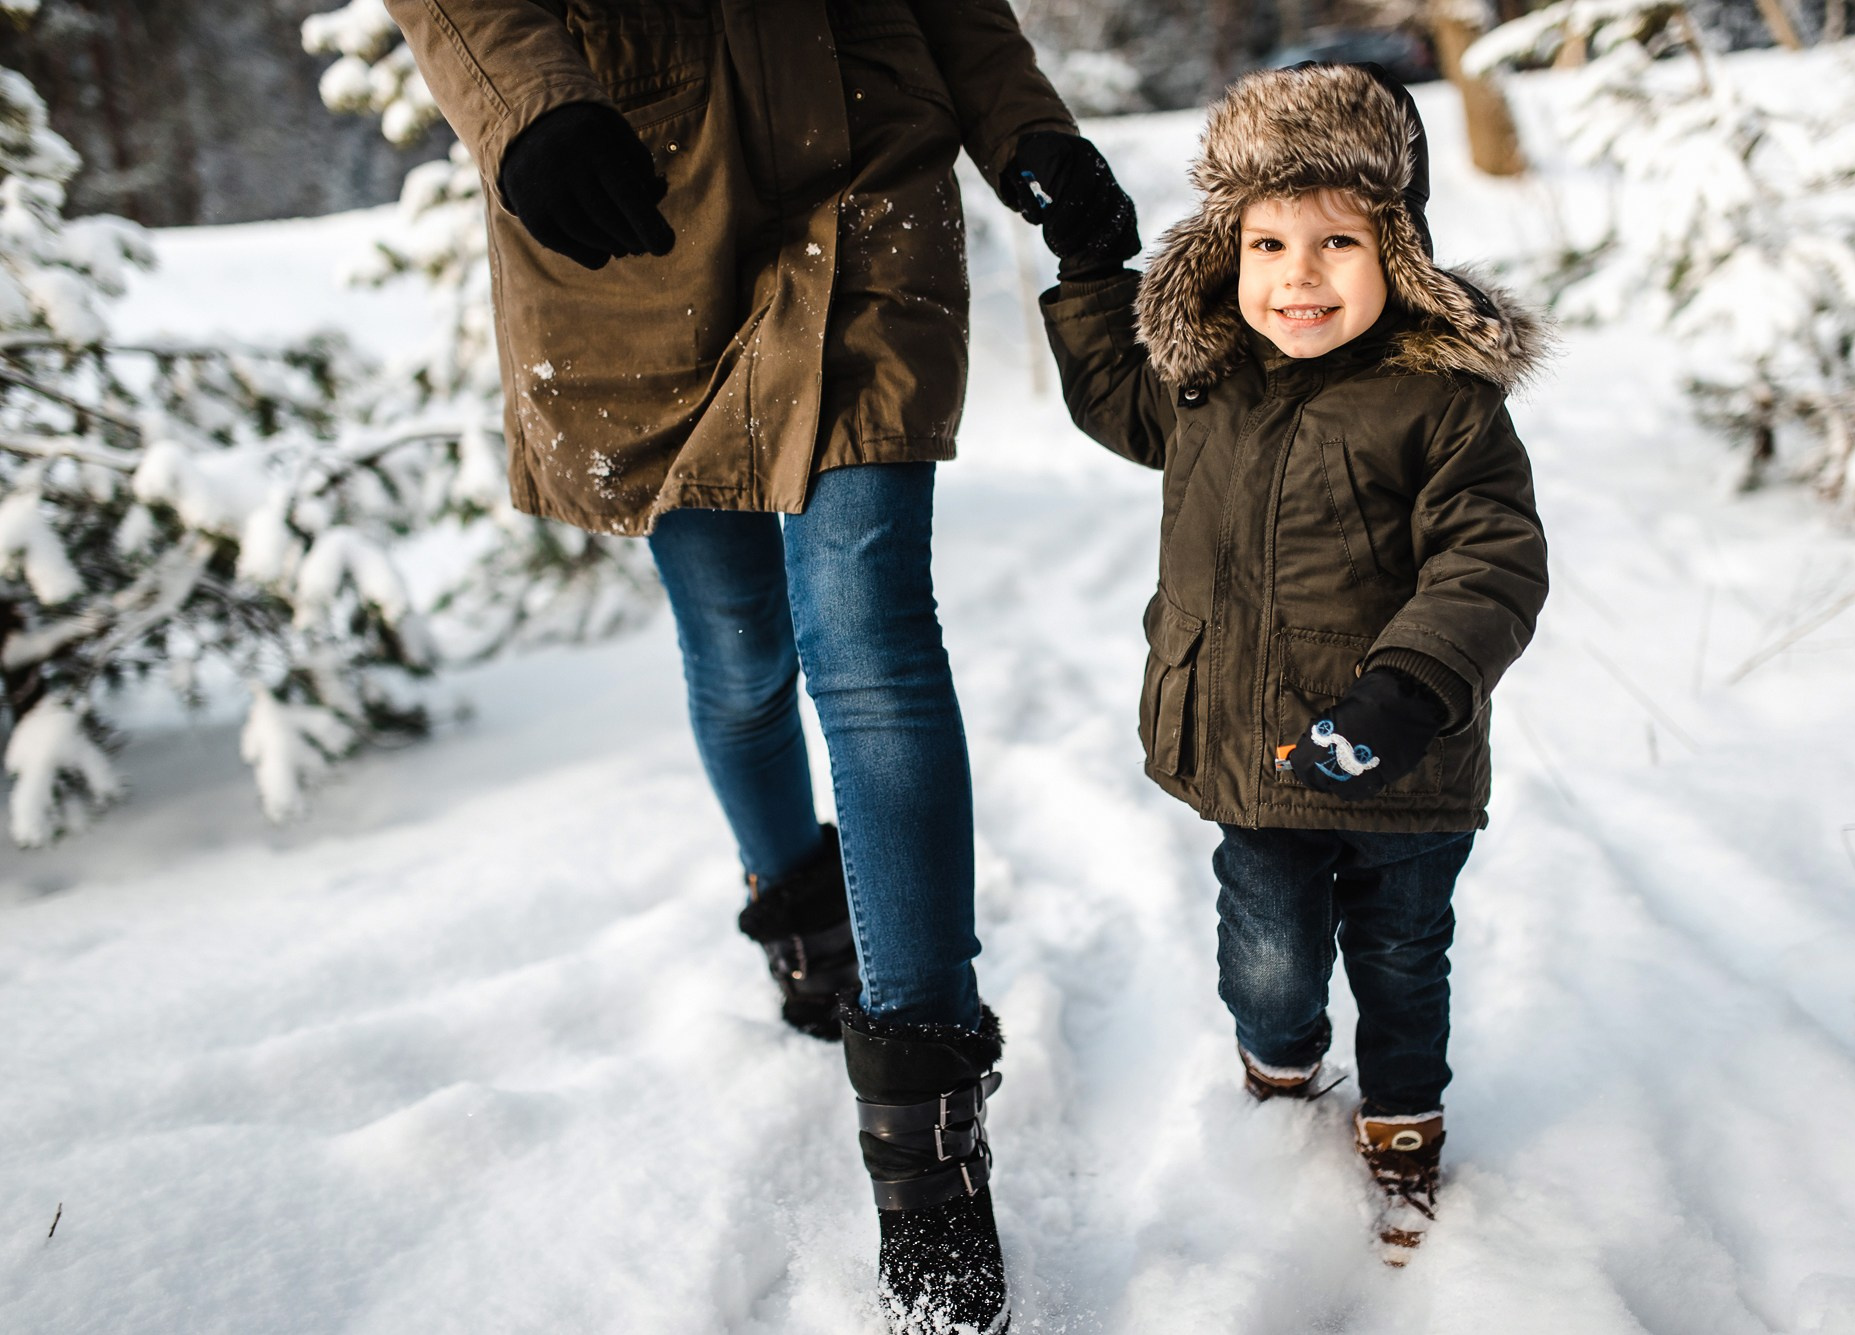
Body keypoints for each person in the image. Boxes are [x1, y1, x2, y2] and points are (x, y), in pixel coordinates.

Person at [380, 1, 1137, 1328]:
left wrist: (1025, 127)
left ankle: (928, 1153)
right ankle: (801, 910)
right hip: (641, 184)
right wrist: (527, 103)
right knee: (739, 650)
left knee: (871, 638)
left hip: (871, 169)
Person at [1036, 62, 1550, 1263]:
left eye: (1336, 244)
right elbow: (1113, 398)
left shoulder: (1442, 402)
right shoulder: (1209, 383)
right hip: (1256, 756)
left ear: (1399, 252)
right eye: (1266, 244)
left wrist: (1408, 687)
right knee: (1267, 955)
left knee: (1401, 959)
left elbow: (1489, 556)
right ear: (1225, 251)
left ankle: (1403, 1118)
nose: (1296, 277)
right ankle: (1278, 1066)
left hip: (1403, 764)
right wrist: (1090, 274)